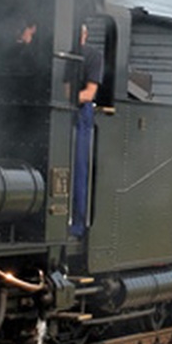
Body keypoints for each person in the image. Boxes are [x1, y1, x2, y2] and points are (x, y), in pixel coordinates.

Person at [70, 23, 104, 239]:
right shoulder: (66, 55)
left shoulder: (92, 56)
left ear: (84, 35)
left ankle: (78, 223)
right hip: (66, 106)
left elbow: (89, 93)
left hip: (82, 112)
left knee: (79, 167)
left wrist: (67, 98)